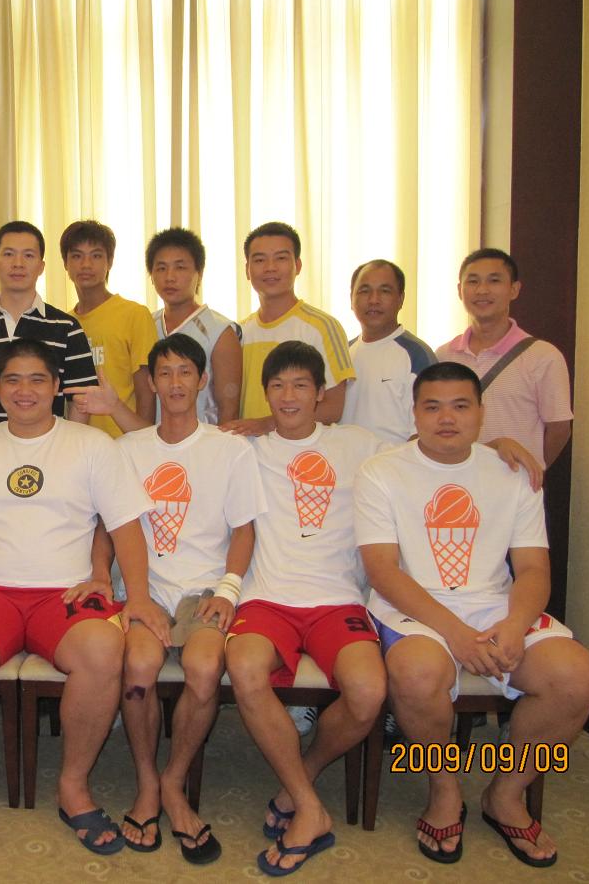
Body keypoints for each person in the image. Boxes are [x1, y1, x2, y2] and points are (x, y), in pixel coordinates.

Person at [0, 339, 170, 858]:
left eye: (38, 379)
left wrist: (138, 597)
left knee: (102, 651)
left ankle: (73, 786)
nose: (25, 391)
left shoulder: (93, 446)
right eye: (14, 380)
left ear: (57, 387)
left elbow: (125, 526)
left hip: (66, 593)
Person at [356, 361, 589, 868]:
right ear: (414, 413)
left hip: (494, 603)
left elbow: (533, 568)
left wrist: (513, 625)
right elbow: (382, 571)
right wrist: (458, 635)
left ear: (481, 413)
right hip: (412, 607)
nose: (447, 418)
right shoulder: (382, 471)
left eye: (461, 406)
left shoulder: (513, 473)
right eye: (433, 407)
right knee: (418, 674)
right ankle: (444, 789)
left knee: (575, 676)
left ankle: (505, 793)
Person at [224, 341, 387, 875]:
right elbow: (173, 446)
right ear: (265, 394)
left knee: (368, 692)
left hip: (337, 599)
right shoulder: (247, 449)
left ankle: (302, 782)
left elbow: (430, 453)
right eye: (277, 386)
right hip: (267, 597)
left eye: (300, 385)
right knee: (244, 668)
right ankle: (310, 808)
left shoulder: (358, 443)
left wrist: (500, 445)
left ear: (320, 393)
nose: (288, 396)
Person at [115, 333, 266, 864]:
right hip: (145, 589)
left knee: (204, 668)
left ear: (202, 380)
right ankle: (146, 782)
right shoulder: (128, 449)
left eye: (185, 372)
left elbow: (244, 530)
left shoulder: (229, 449)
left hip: (204, 589)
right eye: (165, 373)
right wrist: (125, 591)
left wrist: (228, 590)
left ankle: (173, 781)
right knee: (138, 669)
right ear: (152, 382)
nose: (175, 383)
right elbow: (112, 527)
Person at [0, 220, 97, 434]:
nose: (18, 263)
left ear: (41, 266)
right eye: (8, 254)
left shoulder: (67, 328)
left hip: (48, 446)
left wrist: (68, 447)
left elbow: (80, 401)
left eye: (28, 255)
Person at [436, 248, 572, 469]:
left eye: (494, 281)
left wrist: (531, 470)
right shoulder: (444, 356)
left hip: (515, 481)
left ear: (514, 289)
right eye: (473, 281)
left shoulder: (543, 356)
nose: (482, 290)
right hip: (456, 480)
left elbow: (559, 428)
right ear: (460, 290)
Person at [227, 222, 355, 437]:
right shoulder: (238, 332)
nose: (270, 267)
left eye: (280, 258)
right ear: (247, 270)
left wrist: (267, 424)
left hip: (301, 450)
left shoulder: (322, 326)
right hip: (249, 449)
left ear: (298, 265)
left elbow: (333, 407)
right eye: (259, 260)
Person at [61, 219, 157, 437]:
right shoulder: (63, 324)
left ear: (110, 262)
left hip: (124, 441)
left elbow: (147, 393)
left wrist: (143, 442)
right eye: (77, 256)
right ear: (66, 263)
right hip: (79, 443)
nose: (86, 265)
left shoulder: (134, 315)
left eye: (96, 256)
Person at [147, 227, 242, 426]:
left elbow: (229, 410)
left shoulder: (220, 331)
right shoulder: (145, 324)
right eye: (161, 268)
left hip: (205, 440)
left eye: (180, 267)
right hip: (154, 440)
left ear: (199, 273)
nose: (170, 277)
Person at [341, 259, 437, 445]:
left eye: (385, 291)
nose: (373, 300)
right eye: (364, 291)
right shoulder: (342, 354)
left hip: (397, 462)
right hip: (343, 461)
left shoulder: (417, 355)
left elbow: (425, 432)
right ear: (351, 299)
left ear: (401, 299)